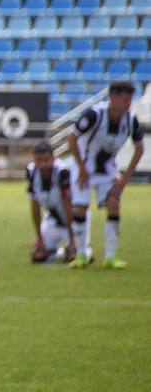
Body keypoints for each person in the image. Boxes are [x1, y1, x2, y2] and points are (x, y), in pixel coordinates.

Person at [66, 80, 144, 270]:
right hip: (83, 169)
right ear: (113, 98)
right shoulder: (94, 115)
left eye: (130, 99)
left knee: (114, 205)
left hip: (107, 170)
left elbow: (139, 148)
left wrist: (124, 178)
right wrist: (81, 168)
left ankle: (111, 255)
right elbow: (71, 139)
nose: (128, 104)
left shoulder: (131, 120)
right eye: (125, 99)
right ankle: (82, 254)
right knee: (79, 210)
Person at [26, 141, 75, 264]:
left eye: (46, 160)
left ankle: (77, 247)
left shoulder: (62, 172)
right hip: (52, 221)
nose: (42, 165)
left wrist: (73, 239)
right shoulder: (32, 172)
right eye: (39, 161)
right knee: (37, 255)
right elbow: (35, 208)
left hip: (73, 221)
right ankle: (60, 251)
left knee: (76, 257)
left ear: (53, 158)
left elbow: (68, 206)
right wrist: (39, 238)